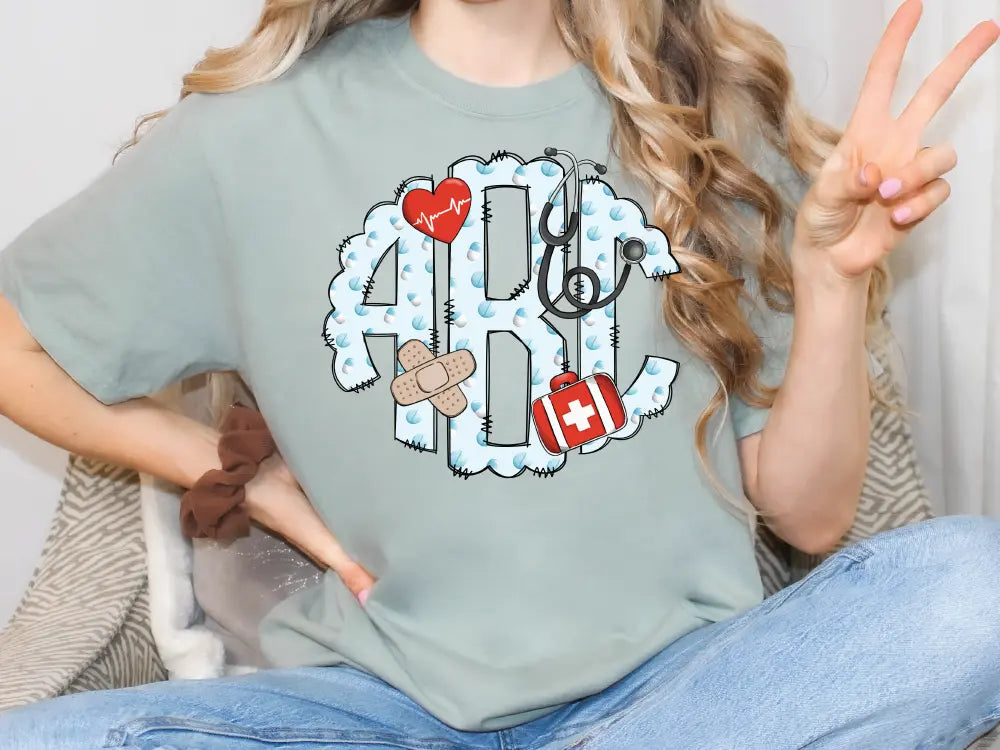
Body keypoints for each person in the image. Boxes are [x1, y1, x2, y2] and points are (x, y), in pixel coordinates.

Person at [0, 0, 998, 747]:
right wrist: (235, 476)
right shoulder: (249, 136)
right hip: (377, 711)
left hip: (687, 696)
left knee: (975, 588)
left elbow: (811, 519)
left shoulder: (712, 120)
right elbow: (15, 344)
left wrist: (827, 280)